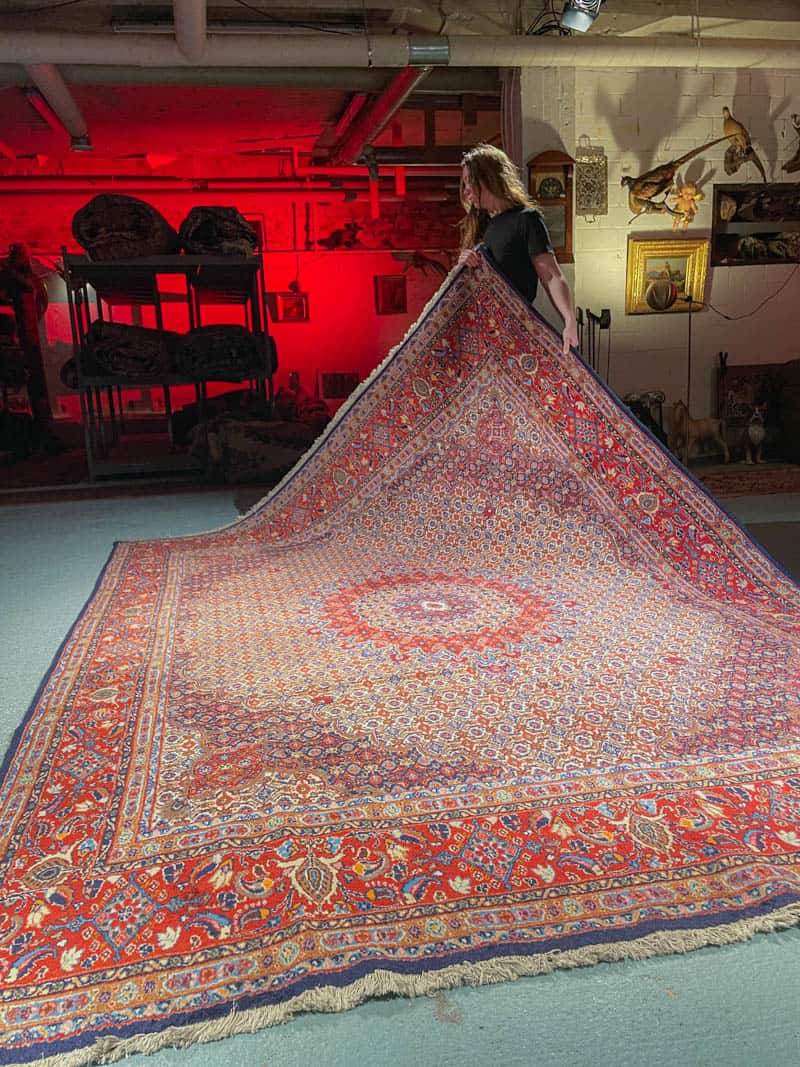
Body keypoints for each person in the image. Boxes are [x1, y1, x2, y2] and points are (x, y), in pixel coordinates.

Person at [458, 143, 578, 356]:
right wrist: (463, 263)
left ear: (488, 178)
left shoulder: (526, 220)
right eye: (464, 183)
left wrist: (569, 320)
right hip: (480, 337)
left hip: (513, 336)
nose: (465, 190)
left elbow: (551, 275)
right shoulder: (480, 226)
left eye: (470, 181)